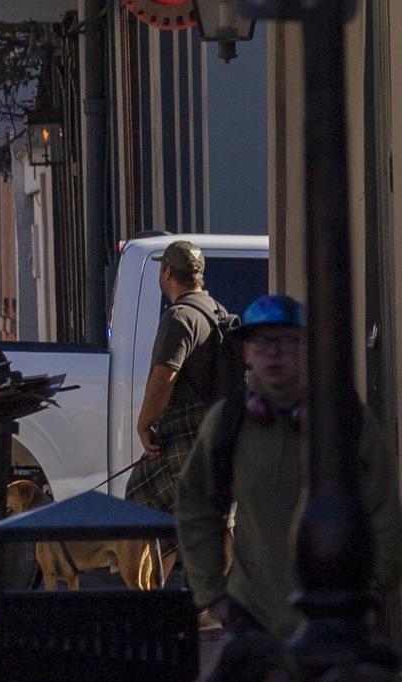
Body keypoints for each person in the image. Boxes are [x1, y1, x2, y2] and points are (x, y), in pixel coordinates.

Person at [174, 294, 402, 640]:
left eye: (287, 341)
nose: (273, 353)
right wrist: (212, 594)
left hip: (335, 617)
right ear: (246, 352)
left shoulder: (345, 421)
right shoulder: (227, 423)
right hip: (253, 617)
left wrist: (372, 589)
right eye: (261, 342)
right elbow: (195, 504)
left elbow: (383, 508)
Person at [130, 240, 237, 511]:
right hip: (219, 428)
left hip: (186, 431)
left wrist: (144, 424)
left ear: (166, 272)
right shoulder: (216, 312)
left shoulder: (180, 317)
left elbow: (165, 377)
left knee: (136, 504)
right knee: (212, 516)